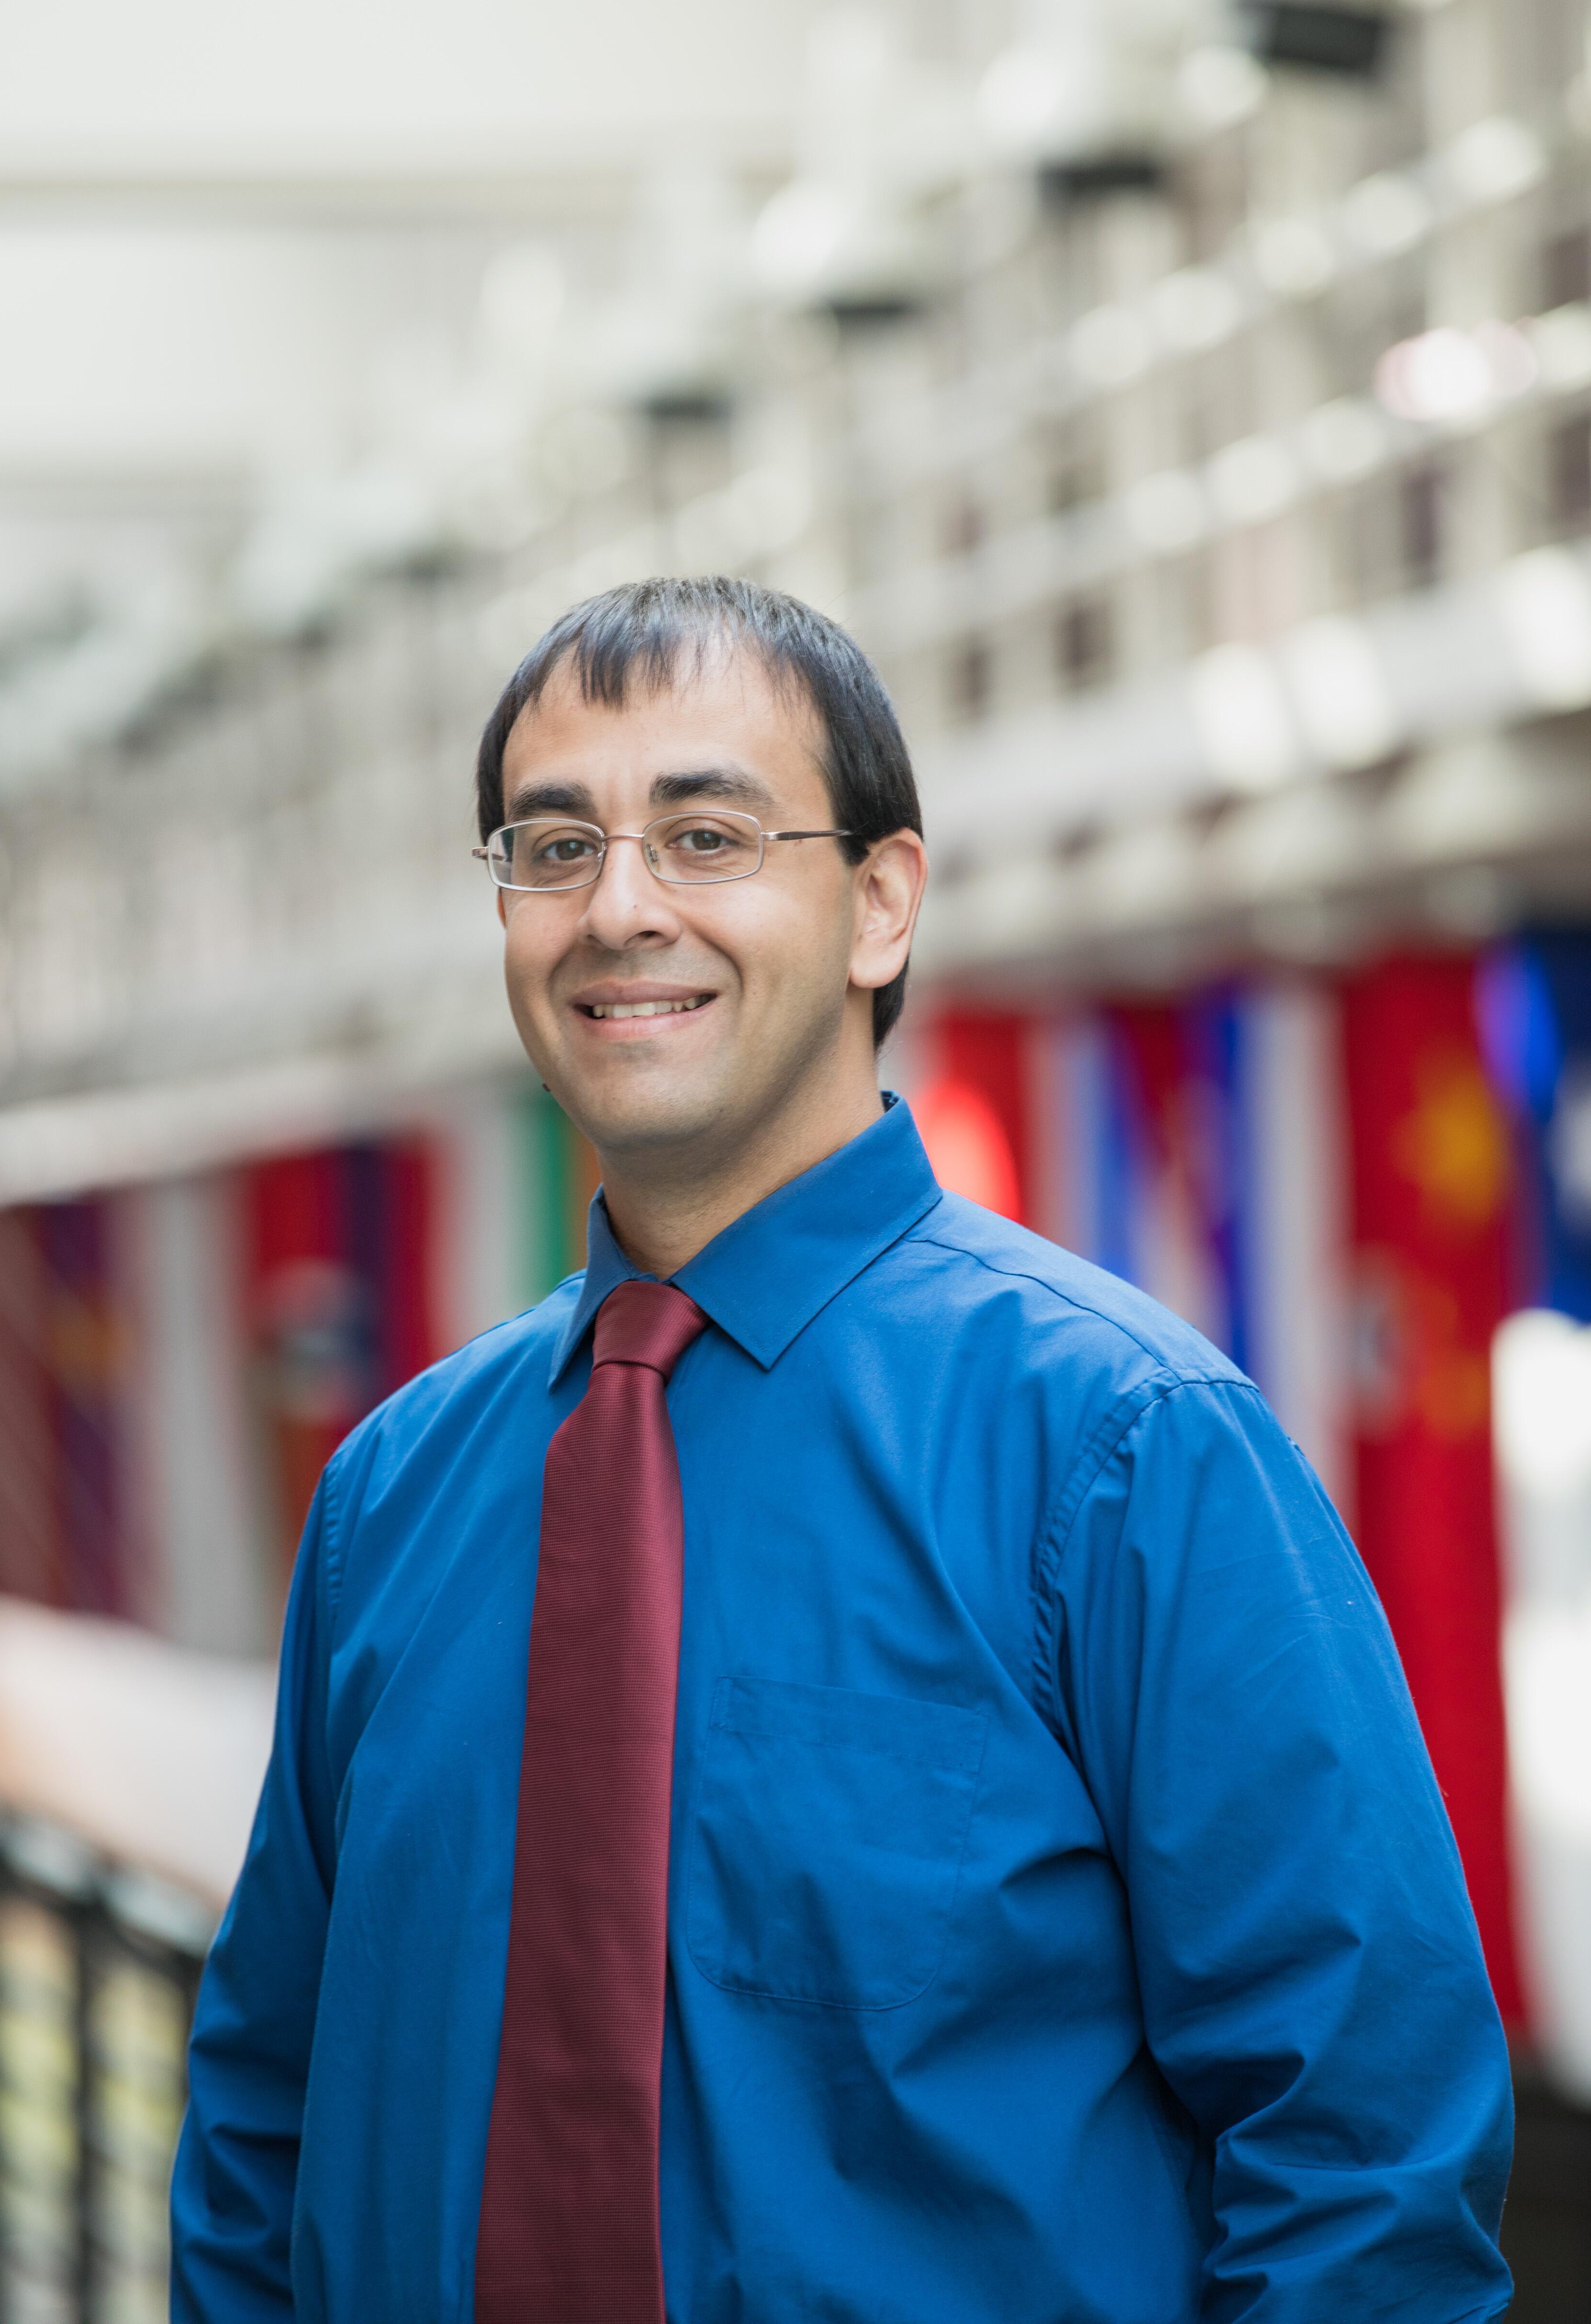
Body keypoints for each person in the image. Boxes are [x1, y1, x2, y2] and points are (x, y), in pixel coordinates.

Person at [172, 574, 1512, 2324]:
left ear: (881, 901)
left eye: (709, 834)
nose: (619, 909)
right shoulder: (392, 1497)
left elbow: (1367, 2165)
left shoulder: (1127, 1451)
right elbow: (267, 2116)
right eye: (551, 847)